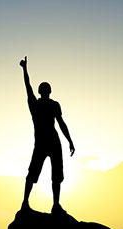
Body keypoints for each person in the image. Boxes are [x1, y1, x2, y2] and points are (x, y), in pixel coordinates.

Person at [19, 56, 75, 214]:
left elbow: (27, 86)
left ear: (40, 92)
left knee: (33, 173)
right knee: (55, 175)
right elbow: (61, 124)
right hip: (53, 142)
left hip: (42, 143)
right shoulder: (53, 105)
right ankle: (55, 205)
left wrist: (24, 69)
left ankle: (25, 203)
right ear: (49, 92)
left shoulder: (34, 105)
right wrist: (70, 141)